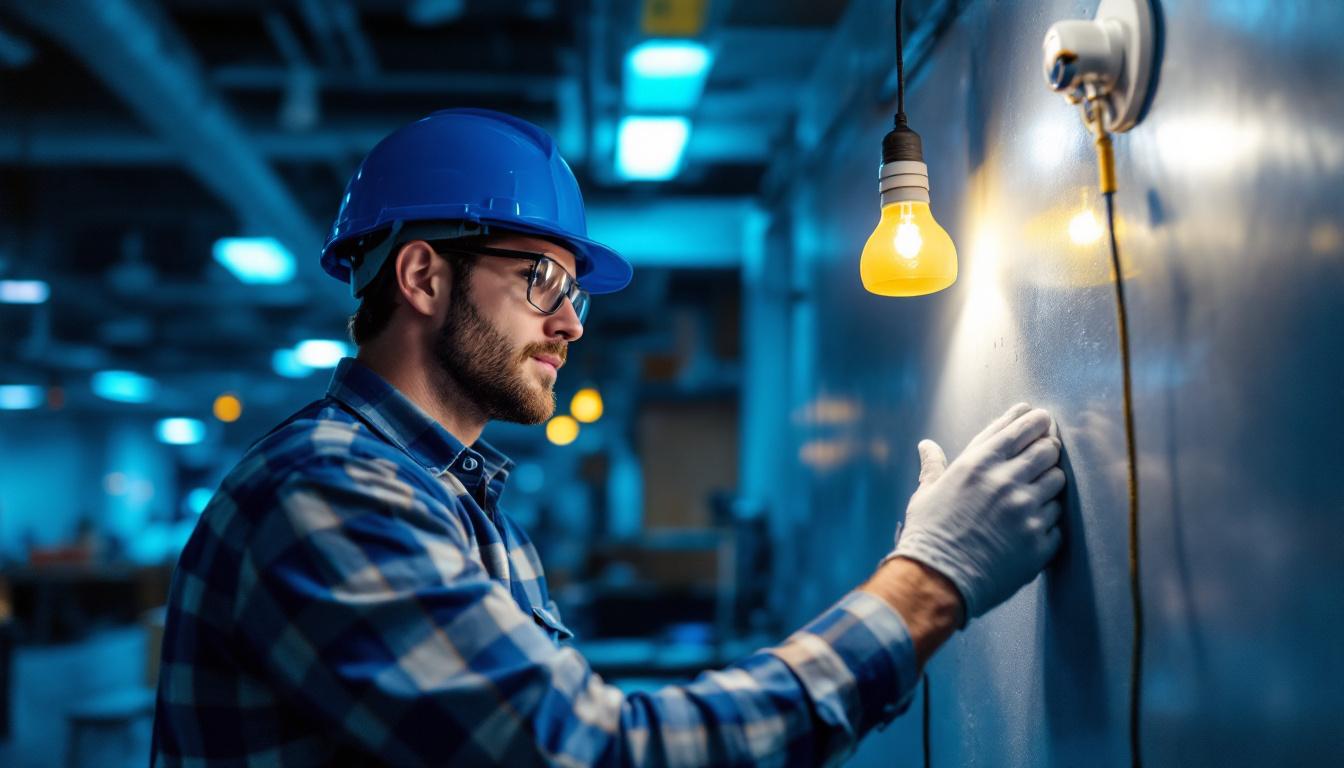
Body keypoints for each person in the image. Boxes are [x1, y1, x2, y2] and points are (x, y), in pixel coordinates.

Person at [151, 108, 1064, 766]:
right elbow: (588, 753)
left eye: (573, 292)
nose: (572, 324)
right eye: (543, 279)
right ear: (423, 275)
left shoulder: (468, 508)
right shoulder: (324, 492)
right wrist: (928, 584)